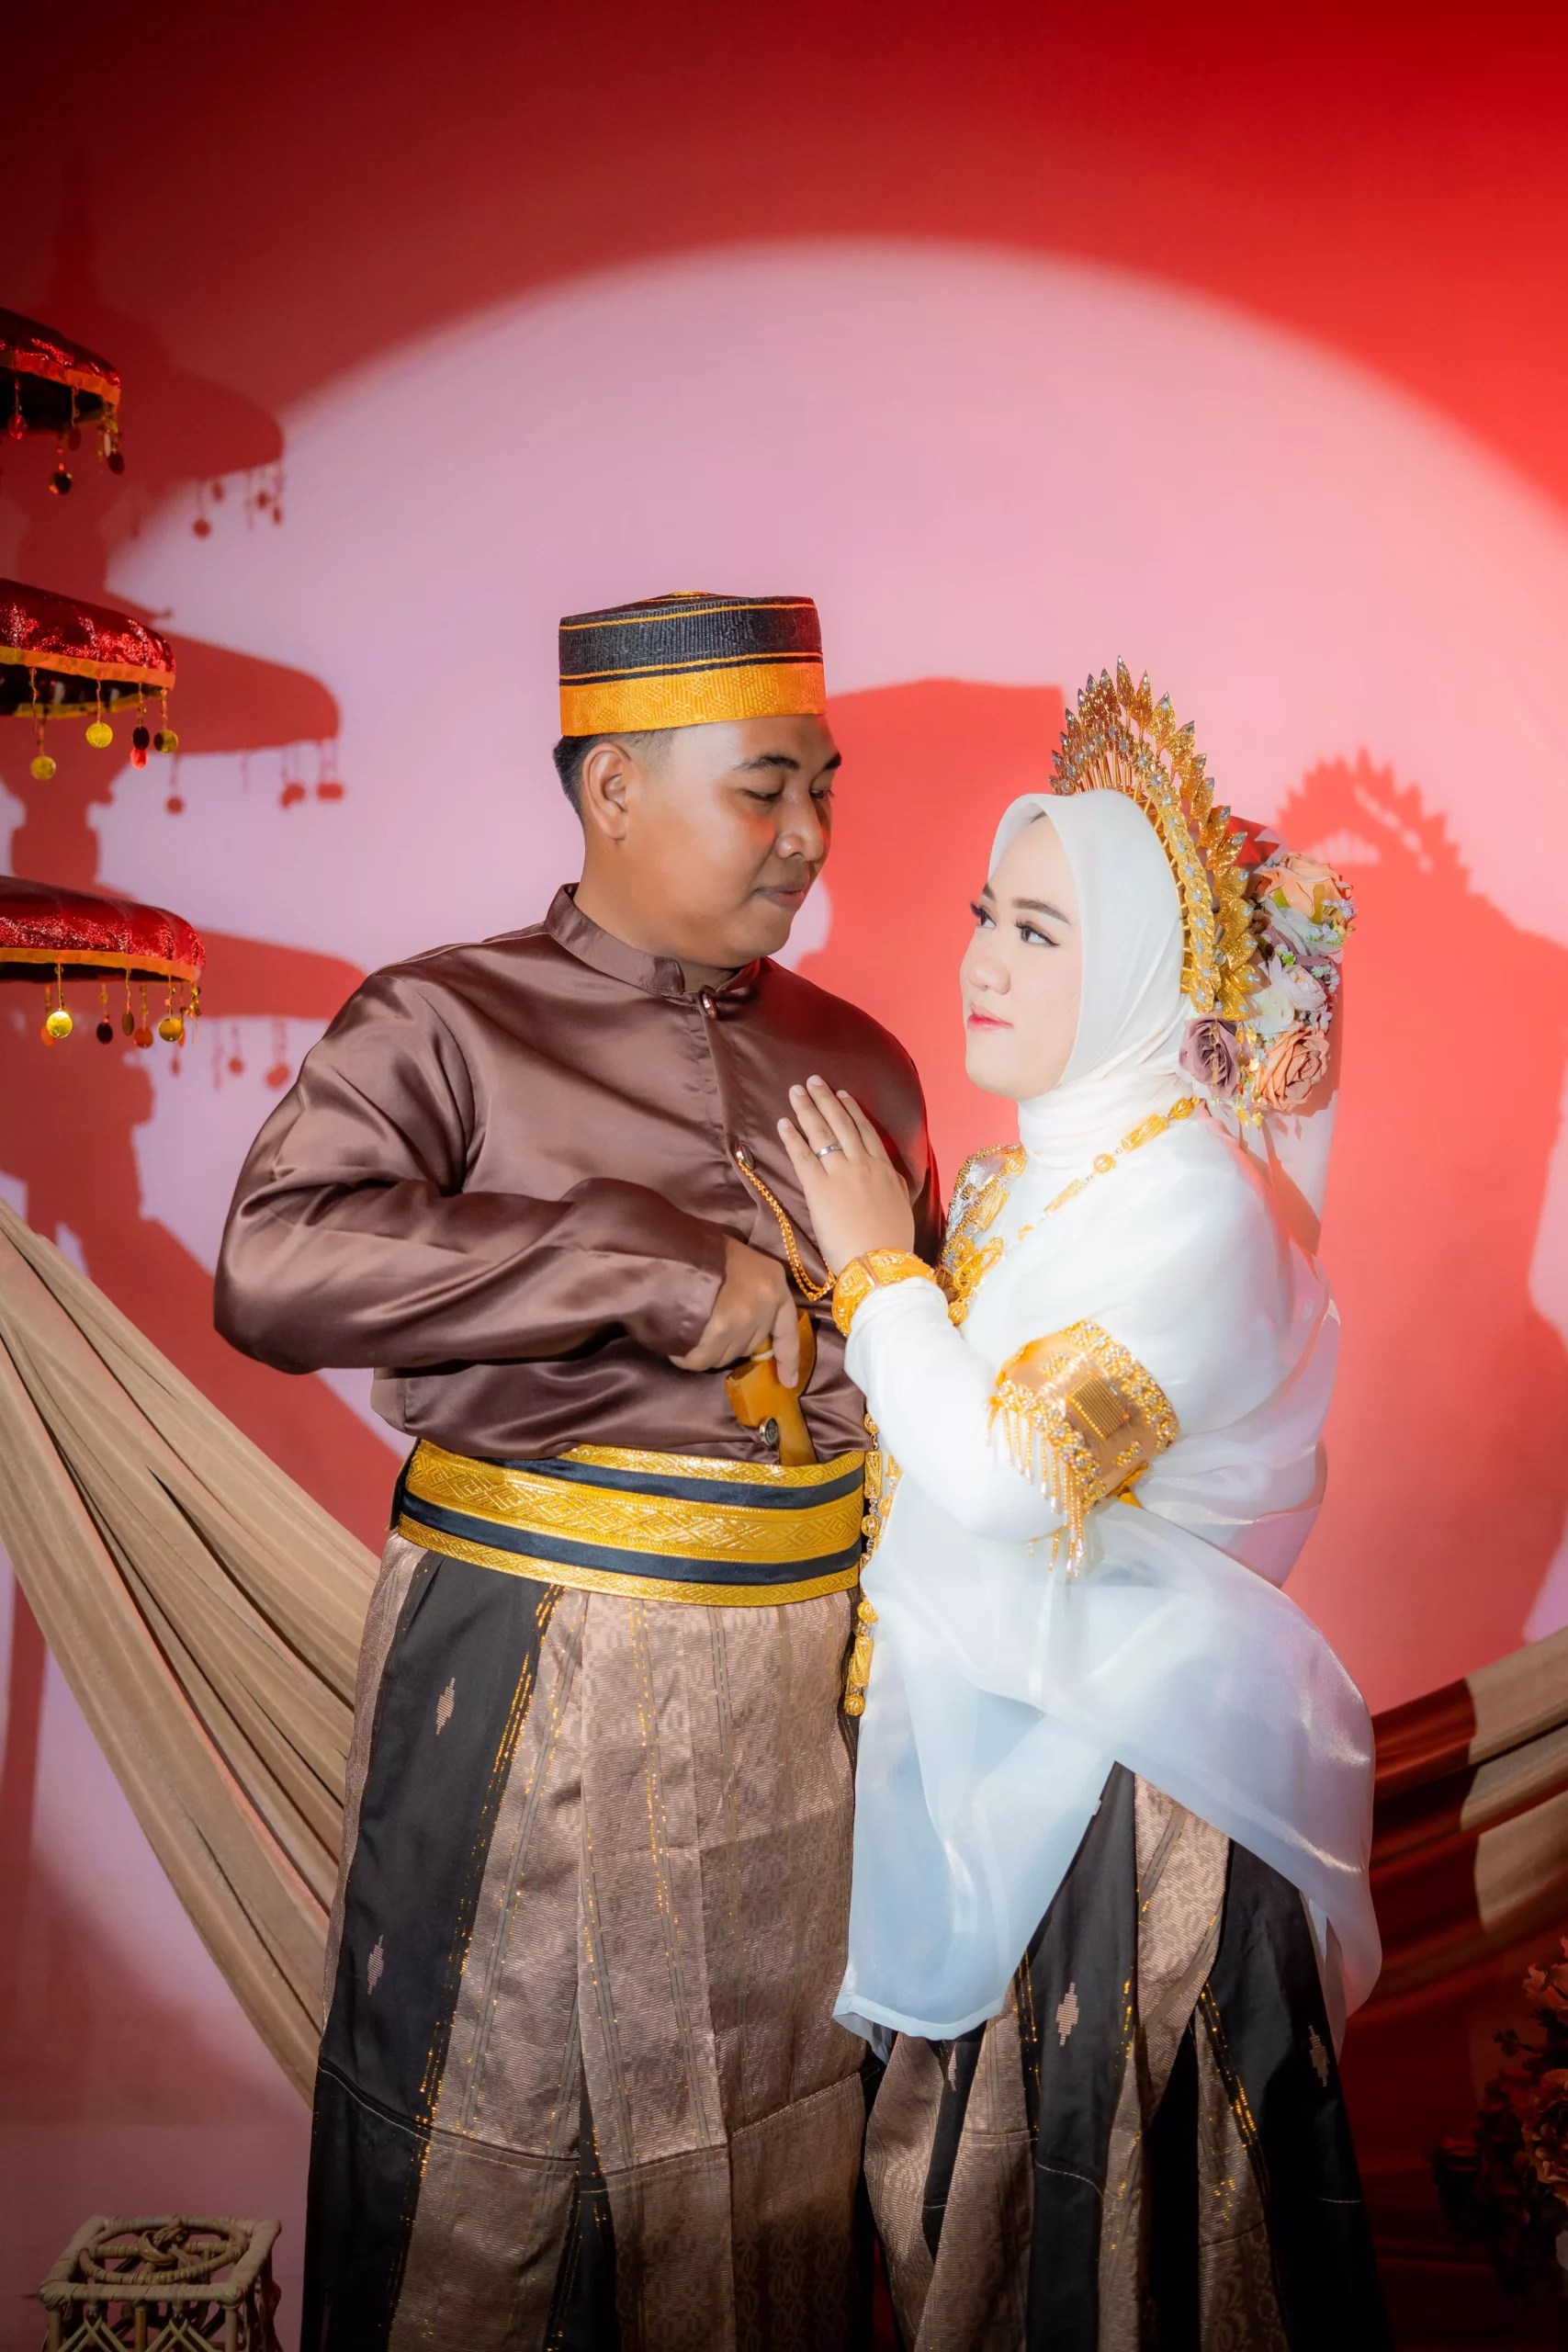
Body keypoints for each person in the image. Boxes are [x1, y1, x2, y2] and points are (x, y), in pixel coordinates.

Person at [214, 591, 940, 2352]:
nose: (809, 834)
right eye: (763, 789)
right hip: (533, 1669)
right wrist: (642, 1260)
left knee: (776, 2160)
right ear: (613, 789)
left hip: (806, 1698)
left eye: (823, 789)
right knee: (491, 2143)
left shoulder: (861, 1059)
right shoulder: (448, 1021)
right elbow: (273, 1267)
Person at [775, 666, 1390, 2349]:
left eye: (1041, 932)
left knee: (1115, 2244)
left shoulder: (1193, 1215)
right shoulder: (1017, 1182)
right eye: (985, 914)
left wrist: (871, 1271)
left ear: (1139, 971)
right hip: (1006, 1765)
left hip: (1138, 1811)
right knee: (968, 2222)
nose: (981, 962)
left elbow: (994, 1477)